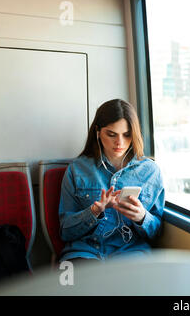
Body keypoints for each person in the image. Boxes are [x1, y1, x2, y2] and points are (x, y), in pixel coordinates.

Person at [58, 99, 164, 263]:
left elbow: (156, 233)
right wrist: (93, 212)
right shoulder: (76, 170)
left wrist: (142, 217)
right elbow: (65, 231)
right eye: (112, 134)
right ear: (98, 132)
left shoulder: (151, 172)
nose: (119, 143)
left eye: (127, 135)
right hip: (85, 252)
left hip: (131, 253)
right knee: (69, 283)